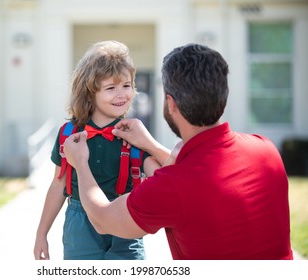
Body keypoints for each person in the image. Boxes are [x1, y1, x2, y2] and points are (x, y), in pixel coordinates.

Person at [63, 43, 293, 260]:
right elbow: (195, 169)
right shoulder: (266, 149)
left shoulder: (171, 187)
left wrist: (80, 163)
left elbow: (103, 219)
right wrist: (150, 145)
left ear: (171, 104)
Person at [34, 40, 161, 260]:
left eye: (127, 85)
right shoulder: (69, 134)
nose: (121, 94)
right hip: (80, 224)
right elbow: (58, 184)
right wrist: (41, 233)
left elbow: (162, 178)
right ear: (89, 92)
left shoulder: (133, 133)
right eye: (111, 88)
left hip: (125, 220)